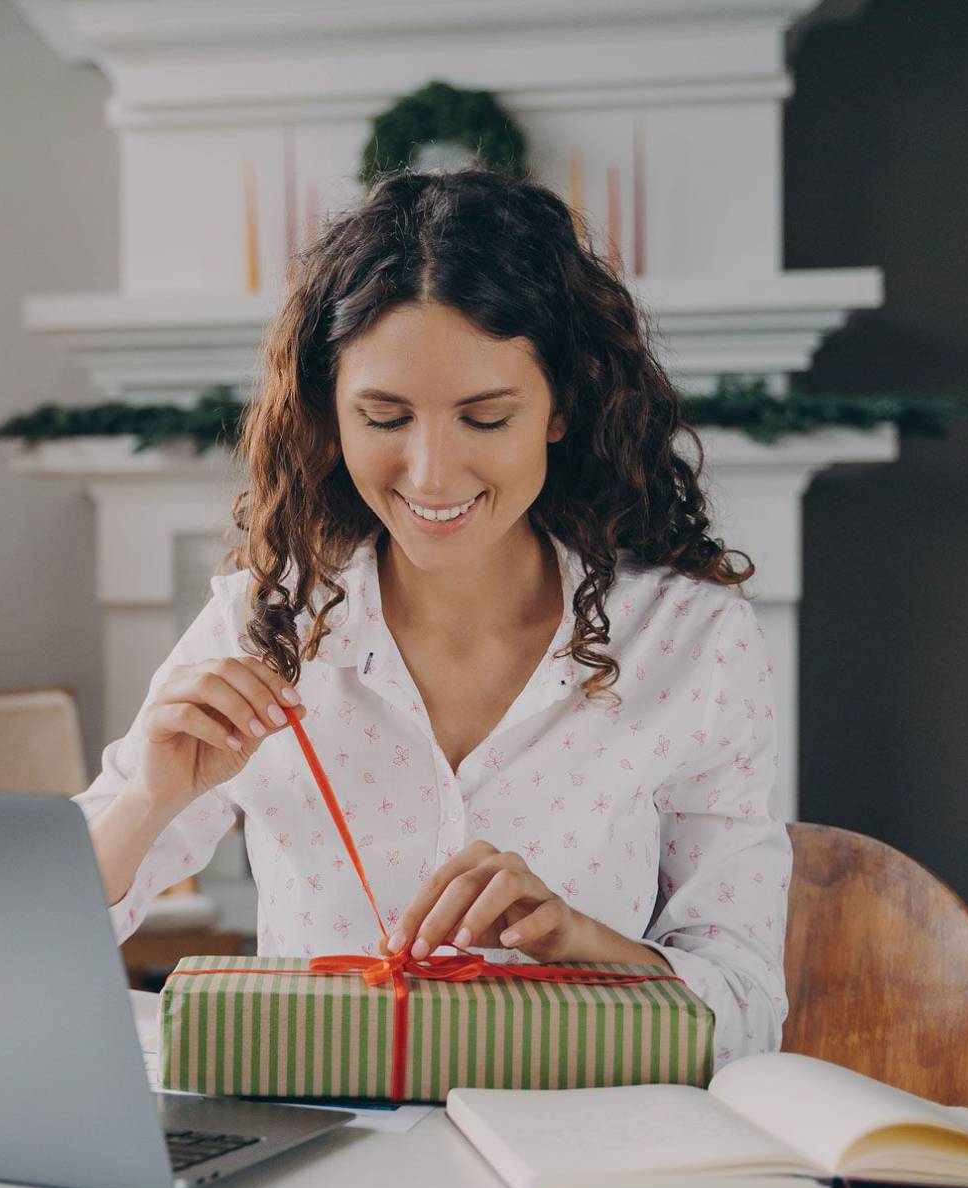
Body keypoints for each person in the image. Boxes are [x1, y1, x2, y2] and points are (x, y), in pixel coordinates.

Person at [76, 167, 790, 1067]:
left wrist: (580, 941)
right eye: (383, 416)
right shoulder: (265, 621)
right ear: (328, 414)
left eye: (484, 418)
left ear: (562, 409)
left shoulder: (689, 641)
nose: (429, 474)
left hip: (584, 1154)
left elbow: (750, 1007)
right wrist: (149, 799)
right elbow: (32, 945)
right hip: (318, 1155)